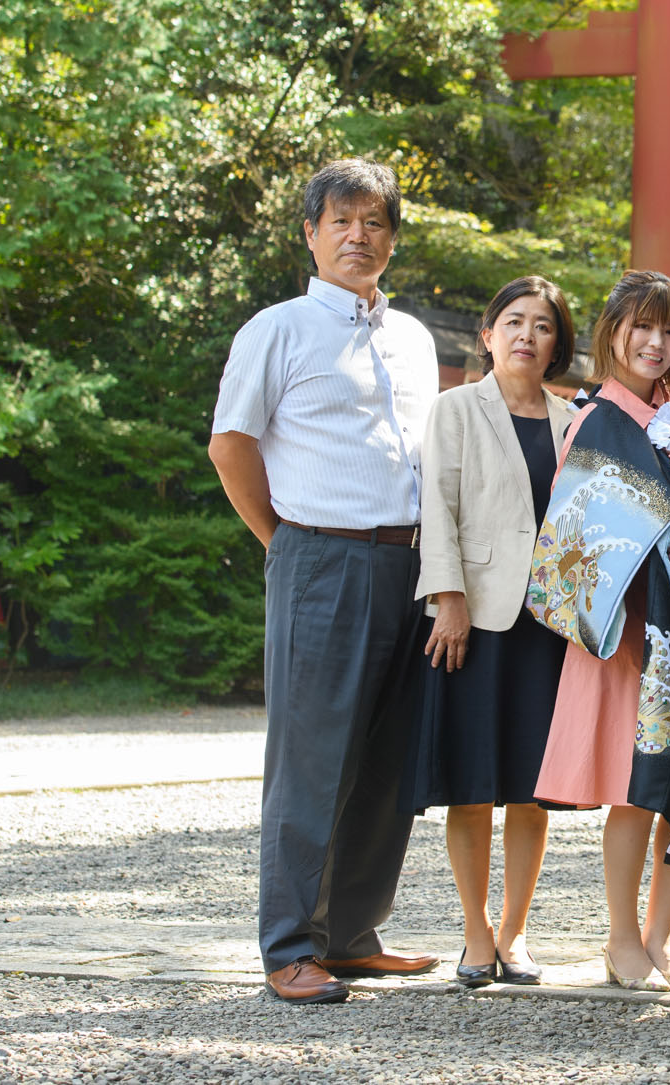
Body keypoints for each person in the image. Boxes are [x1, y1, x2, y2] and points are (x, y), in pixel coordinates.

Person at [208, 159, 440, 1005]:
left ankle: (350, 933)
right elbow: (231, 444)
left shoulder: (413, 338)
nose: (357, 235)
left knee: (387, 759)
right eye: (340, 220)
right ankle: (288, 945)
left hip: (409, 561)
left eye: (374, 222)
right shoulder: (277, 329)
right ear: (310, 233)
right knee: (310, 759)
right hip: (319, 557)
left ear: (391, 238)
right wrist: (283, 541)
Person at [528, 271, 670, 993]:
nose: (656, 342)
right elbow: (575, 538)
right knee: (637, 787)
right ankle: (621, 937)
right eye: (641, 327)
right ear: (612, 331)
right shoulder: (599, 418)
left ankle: (660, 937)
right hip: (632, 636)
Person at [405, 277, 579, 987]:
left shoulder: (576, 419)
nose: (526, 335)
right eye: (513, 321)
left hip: (547, 624)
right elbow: (436, 507)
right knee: (473, 784)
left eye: (542, 325)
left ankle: (515, 932)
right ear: (487, 334)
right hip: (473, 617)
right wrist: (447, 598)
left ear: (555, 343)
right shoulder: (455, 409)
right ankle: (475, 933)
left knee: (532, 790)